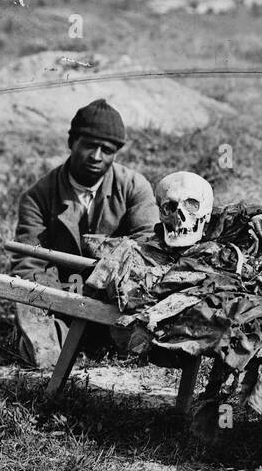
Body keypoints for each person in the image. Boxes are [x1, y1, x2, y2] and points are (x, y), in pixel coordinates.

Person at [10, 99, 159, 366]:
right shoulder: (38, 196)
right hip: (61, 303)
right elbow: (28, 264)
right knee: (39, 344)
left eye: (107, 149)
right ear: (72, 142)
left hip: (116, 303)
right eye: (89, 145)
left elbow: (148, 250)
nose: (97, 156)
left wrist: (106, 290)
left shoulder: (135, 188)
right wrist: (62, 302)